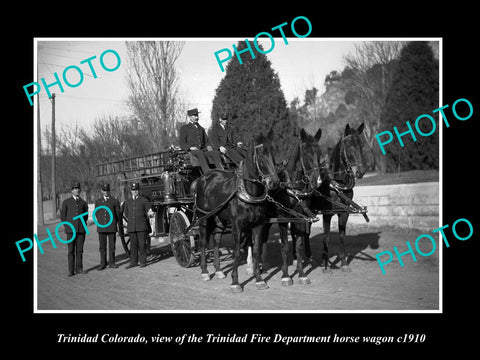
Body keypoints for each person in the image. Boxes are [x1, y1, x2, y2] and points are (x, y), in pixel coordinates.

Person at [178, 108, 224, 173]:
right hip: (192, 151)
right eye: (194, 116)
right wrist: (190, 147)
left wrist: (208, 146)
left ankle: (221, 171)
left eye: (197, 115)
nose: (196, 117)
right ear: (190, 117)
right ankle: (207, 173)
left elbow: (207, 141)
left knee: (215, 153)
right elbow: (181, 142)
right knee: (200, 153)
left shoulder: (201, 129)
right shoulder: (185, 128)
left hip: (203, 150)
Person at [60, 182, 89, 276]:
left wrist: (81, 226)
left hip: (81, 231)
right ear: (72, 190)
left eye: (78, 188)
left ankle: (79, 268)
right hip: (70, 231)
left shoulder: (83, 203)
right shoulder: (66, 202)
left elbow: (86, 216)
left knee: (80, 250)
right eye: (75, 189)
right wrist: (68, 227)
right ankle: (71, 270)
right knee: (71, 251)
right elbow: (63, 217)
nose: (77, 190)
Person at [122, 182, 153, 269]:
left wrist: (150, 212)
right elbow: (126, 213)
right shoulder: (128, 201)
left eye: (136, 190)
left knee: (142, 244)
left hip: (142, 226)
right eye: (133, 190)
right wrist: (132, 220)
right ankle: (133, 262)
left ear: (138, 191)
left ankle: (143, 262)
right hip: (132, 227)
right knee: (133, 245)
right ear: (131, 191)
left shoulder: (144, 200)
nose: (134, 191)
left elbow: (149, 210)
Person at [94, 183, 122, 270]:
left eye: (107, 190)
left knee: (112, 246)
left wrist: (115, 223)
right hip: (102, 227)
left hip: (111, 227)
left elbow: (118, 214)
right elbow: (97, 213)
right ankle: (103, 263)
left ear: (110, 191)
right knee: (102, 246)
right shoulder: (98, 202)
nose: (106, 192)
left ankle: (112, 262)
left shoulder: (115, 201)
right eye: (104, 190)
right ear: (102, 191)